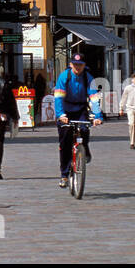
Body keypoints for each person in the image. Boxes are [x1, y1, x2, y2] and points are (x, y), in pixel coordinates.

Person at [54, 53, 103, 188]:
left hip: (81, 109)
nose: (77, 67)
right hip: (65, 109)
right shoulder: (64, 76)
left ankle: (84, 148)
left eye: (80, 65)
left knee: (84, 129)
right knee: (65, 142)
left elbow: (93, 98)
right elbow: (58, 97)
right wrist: (60, 115)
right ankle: (64, 175)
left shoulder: (88, 77)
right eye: (75, 65)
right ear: (70, 65)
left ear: (84, 65)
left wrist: (97, 116)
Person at [119, 72, 135, 149]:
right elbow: (123, 98)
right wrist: (121, 108)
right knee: (131, 124)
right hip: (130, 108)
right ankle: (132, 143)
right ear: (132, 80)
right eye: (134, 79)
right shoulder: (128, 88)